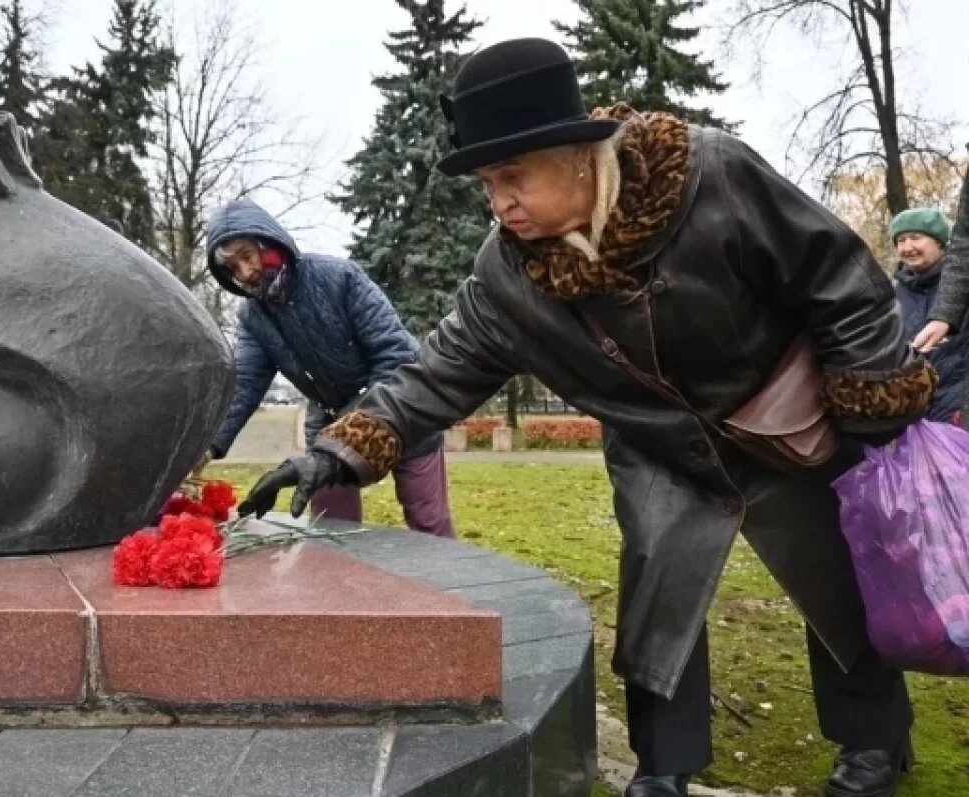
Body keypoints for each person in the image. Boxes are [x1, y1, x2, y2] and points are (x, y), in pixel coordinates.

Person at [237, 39, 934, 797]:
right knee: (657, 594)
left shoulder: (712, 175)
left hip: (784, 417)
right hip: (658, 446)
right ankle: (662, 766)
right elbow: (437, 371)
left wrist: (872, 401)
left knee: (837, 574)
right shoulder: (505, 275)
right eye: (487, 184)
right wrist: (334, 452)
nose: (500, 203)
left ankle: (872, 741)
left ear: (577, 154)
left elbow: (838, 276)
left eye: (514, 175)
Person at [199, 199, 455, 538]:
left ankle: (447, 574)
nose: (245, 273)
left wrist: (359, 419)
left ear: (269, 243)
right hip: (329, 425)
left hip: (400, 408)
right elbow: (245, 383)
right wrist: (208, 445)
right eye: (232, 268)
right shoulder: (252, 317)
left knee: (429, 523)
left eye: (247, 256)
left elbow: (396, 355)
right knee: (331, 530)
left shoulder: (340, 277)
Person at [889, 208, 967, 423]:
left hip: (958, 411)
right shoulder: (891, 297)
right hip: (913, 416)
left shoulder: (962, 288)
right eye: (901, 240)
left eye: (915, 237)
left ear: (940, 242)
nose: (907, 247)